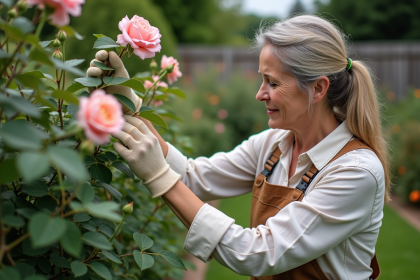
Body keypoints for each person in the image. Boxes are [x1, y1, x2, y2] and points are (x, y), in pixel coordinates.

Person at [88, 15, 390, 280]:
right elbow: (194, 178)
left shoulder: (355, 172)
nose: (260, 94)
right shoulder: (273, 145)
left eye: (272, 83)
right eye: (262, 80)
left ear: (318, 89)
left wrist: (159, 178)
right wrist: (128, 109)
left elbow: (259, 253)